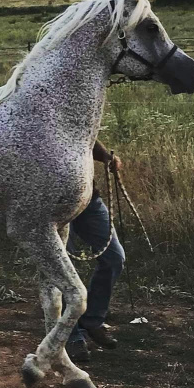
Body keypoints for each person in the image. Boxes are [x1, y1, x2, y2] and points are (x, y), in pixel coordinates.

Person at [65, 141, 125, 362]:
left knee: (114, 258)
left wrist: (105, 156)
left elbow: (84, 134)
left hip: (87, 199)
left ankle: (92, 320)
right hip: (53, 203)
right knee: (62, 268)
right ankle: (71, 336)